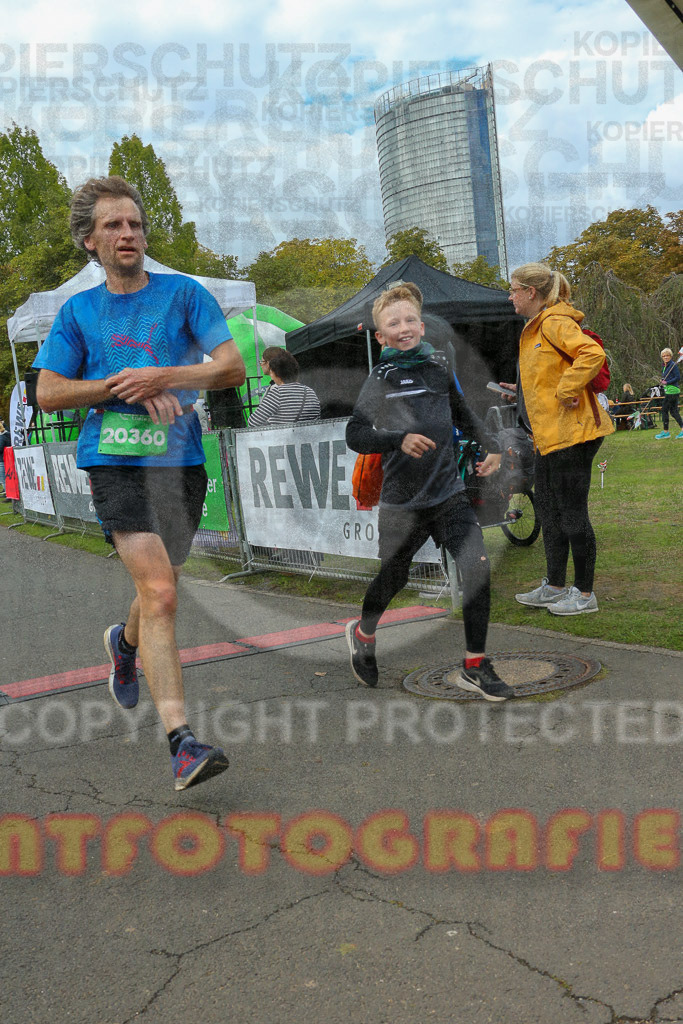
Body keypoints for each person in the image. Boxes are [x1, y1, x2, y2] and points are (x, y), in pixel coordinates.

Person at [32, 175, 246, 791]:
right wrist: (120, 385)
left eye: (135, 224)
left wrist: (164, 376)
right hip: (115, 462)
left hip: (179, 463)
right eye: (113, 226)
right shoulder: (78, 312)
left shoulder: (184, 294)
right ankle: (182, 743)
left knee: (162, 587)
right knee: (161, 592)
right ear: (89, 242)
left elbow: (230, 367)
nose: (128, 234)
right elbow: (47, 391)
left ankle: (124, 646)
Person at [345, 282, 514, 701]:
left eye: (408, 320)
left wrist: (492, 447)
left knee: (476, 567)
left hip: (448, 493)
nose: (403, 327)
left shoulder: (438, 366)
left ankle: (475, 664)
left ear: (420, 325)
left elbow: (462, 412)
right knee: (395, 576)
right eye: (392, 323)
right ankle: (364, 634)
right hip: (403, 502)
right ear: (380, 336)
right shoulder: (379, 377)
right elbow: (356, 434)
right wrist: (398, 438)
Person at [508, 264, 614, 616]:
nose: (510, 297)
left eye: (513, 290)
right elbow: (546, 376)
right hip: (547, 437)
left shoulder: (554, 321)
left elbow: (592, 354)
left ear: (531, 292)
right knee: (550, 514)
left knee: (571, 514)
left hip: (573, 434)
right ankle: (554, 586)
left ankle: (584, 594)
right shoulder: (536, 326)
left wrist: (568, 388)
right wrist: (521, 391)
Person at [248, 347, 320, 426]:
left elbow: (253, 422)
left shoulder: (278, 393)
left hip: (282, 437)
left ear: (274, 372)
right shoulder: (310, 392)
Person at [654, 348, 683, 439]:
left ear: (670, 356)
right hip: (668, 390)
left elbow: (678, 377)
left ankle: (666, 432)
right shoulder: (664, 366)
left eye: (667, 355)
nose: (666, 357)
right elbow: (667, 377)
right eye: (664, 356)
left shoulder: (673, 365)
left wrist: (668, 382)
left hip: (672, 390)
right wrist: (663, 380)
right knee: (673, 412)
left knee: (664, 410)